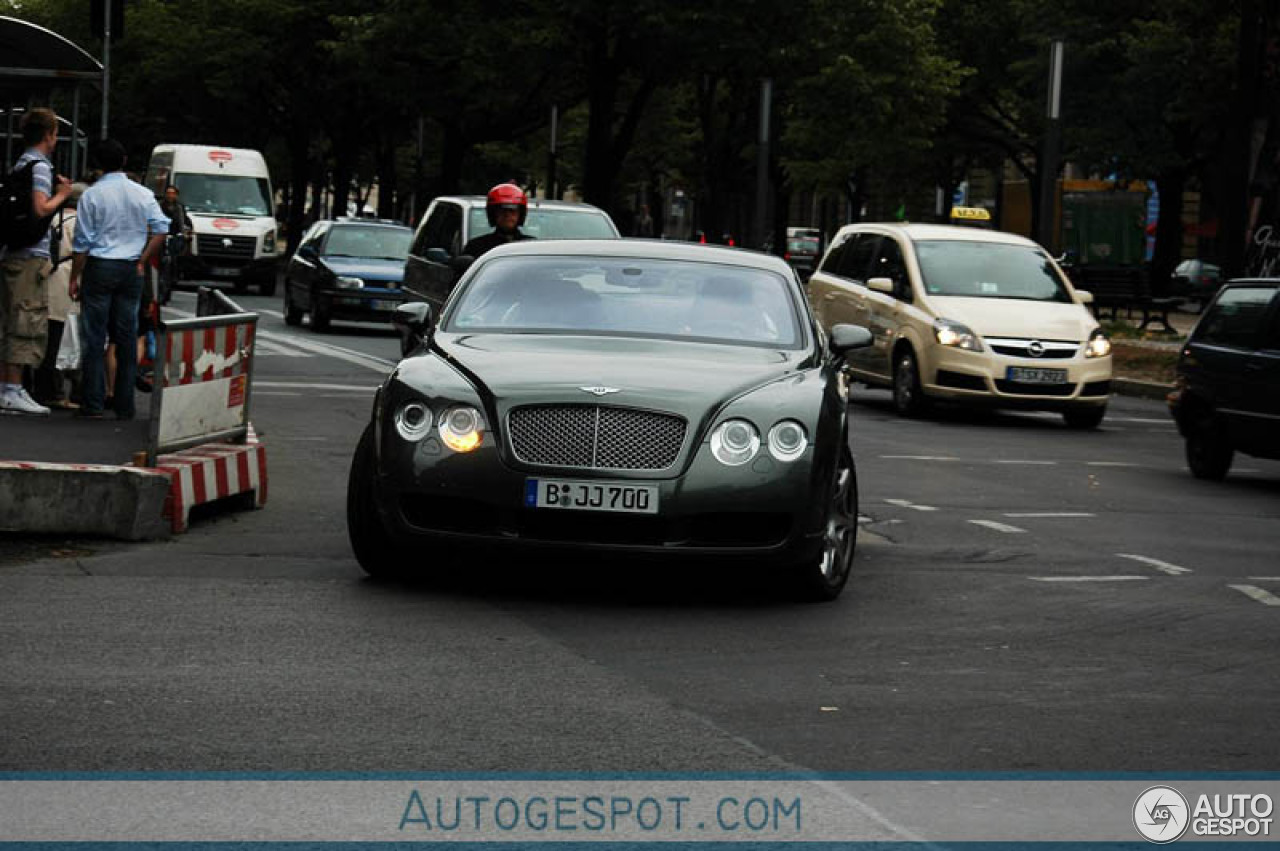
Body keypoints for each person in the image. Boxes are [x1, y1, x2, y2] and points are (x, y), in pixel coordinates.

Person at [68, 139, 170, 420]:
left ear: (97, 164)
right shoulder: (142, 193)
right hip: (130, 269)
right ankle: (125, 405)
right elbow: (162, 229)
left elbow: (82, 243)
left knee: (94, 336)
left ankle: (93, 402)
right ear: (124, 160)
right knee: (126, 337)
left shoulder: (91, 195)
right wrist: (141, 259)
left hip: (100, 267)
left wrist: (75, 277)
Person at [1, 107, 73, 416]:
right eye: (55, 133)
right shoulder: (40, 166)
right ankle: (13, 389)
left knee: (10, 319)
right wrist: (63, 194)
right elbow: (41, 209)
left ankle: (9, 387)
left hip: (14, 251)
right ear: (48, 135)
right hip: (30, 256)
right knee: (24, 320)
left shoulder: (21, 163)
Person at [32, 181, 88, 408]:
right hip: (69, 280)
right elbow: (82, 253)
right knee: (67, 340)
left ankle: (43, 387)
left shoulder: (50, 219)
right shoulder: (80, 223)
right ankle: (61, 392)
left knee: (48, 337)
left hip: (47, 279)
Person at [461, 183, 534, 259]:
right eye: (502, 210)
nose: (507, 215)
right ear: (493, 214)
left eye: (512, 210)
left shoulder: (531, 246)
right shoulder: (476, 246)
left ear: (521, 214)